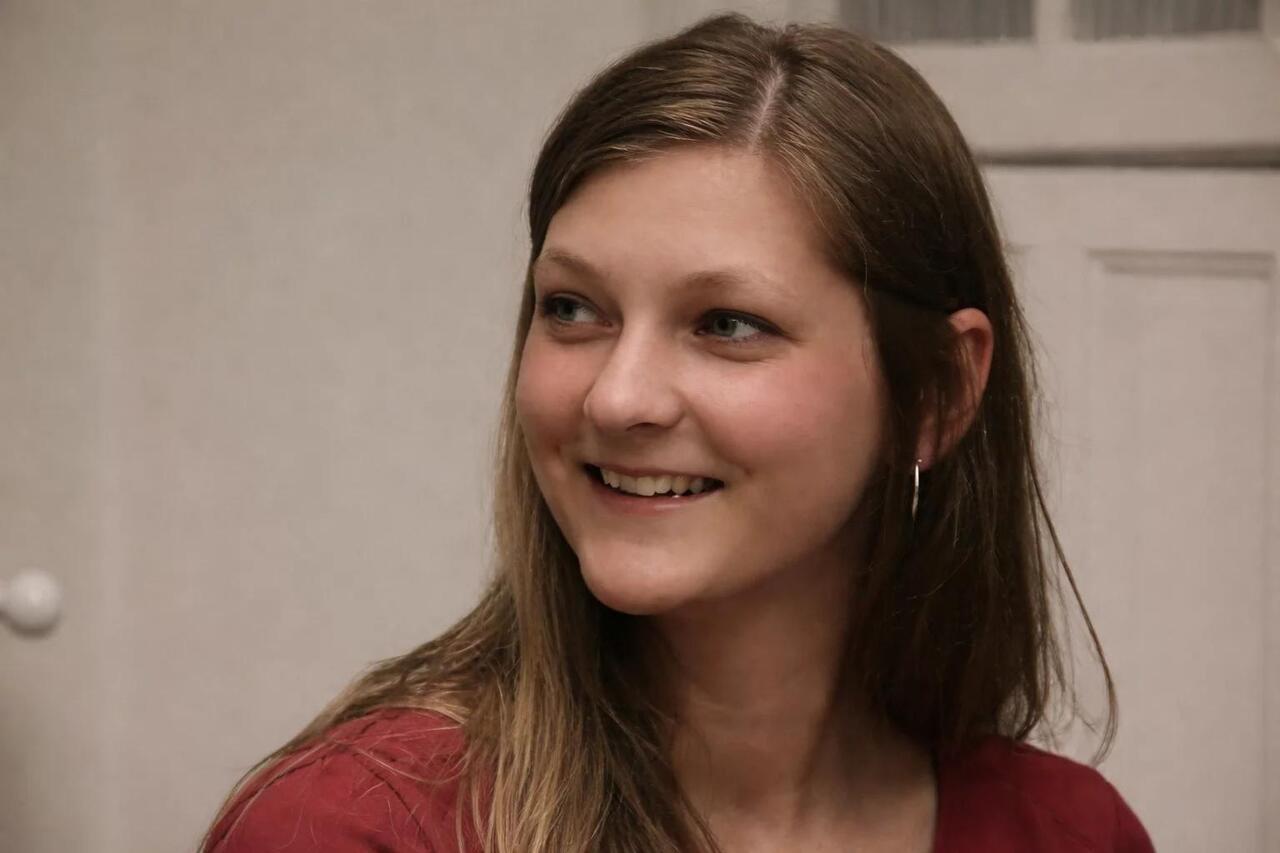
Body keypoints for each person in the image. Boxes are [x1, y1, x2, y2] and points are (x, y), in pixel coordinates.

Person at [202, 13, 1154, 852]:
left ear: (938, 393)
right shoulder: (347, 828)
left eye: (726, 323)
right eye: (573, 308)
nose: (616, 400)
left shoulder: (1074, 833)